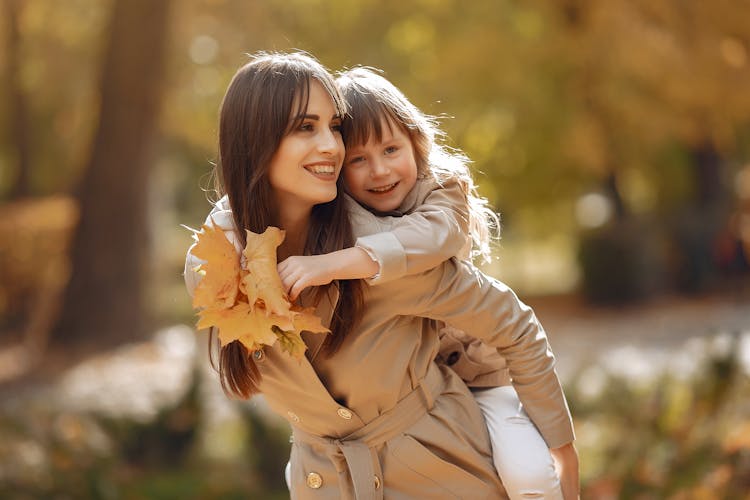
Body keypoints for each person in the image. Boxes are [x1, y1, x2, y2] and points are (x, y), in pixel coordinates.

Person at [185, 51, 578, 499]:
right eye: (305, 127)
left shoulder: (380, 253)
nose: (332, 146)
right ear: (253, 142)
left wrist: (560, 447)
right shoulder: (216, 267)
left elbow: (512, 321)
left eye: (334, 127)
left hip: (444, 473)